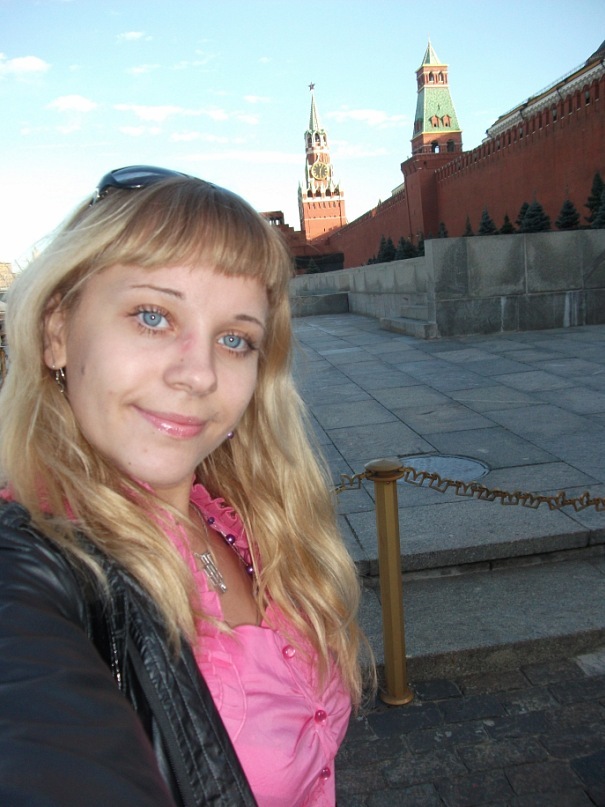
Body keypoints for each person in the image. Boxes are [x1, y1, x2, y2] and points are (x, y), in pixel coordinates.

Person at [0, 166, 369, 806]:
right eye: (153, 316)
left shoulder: (237, 516)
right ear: (57, 332)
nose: (200, 374)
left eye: (235, 339)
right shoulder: (37, 568)